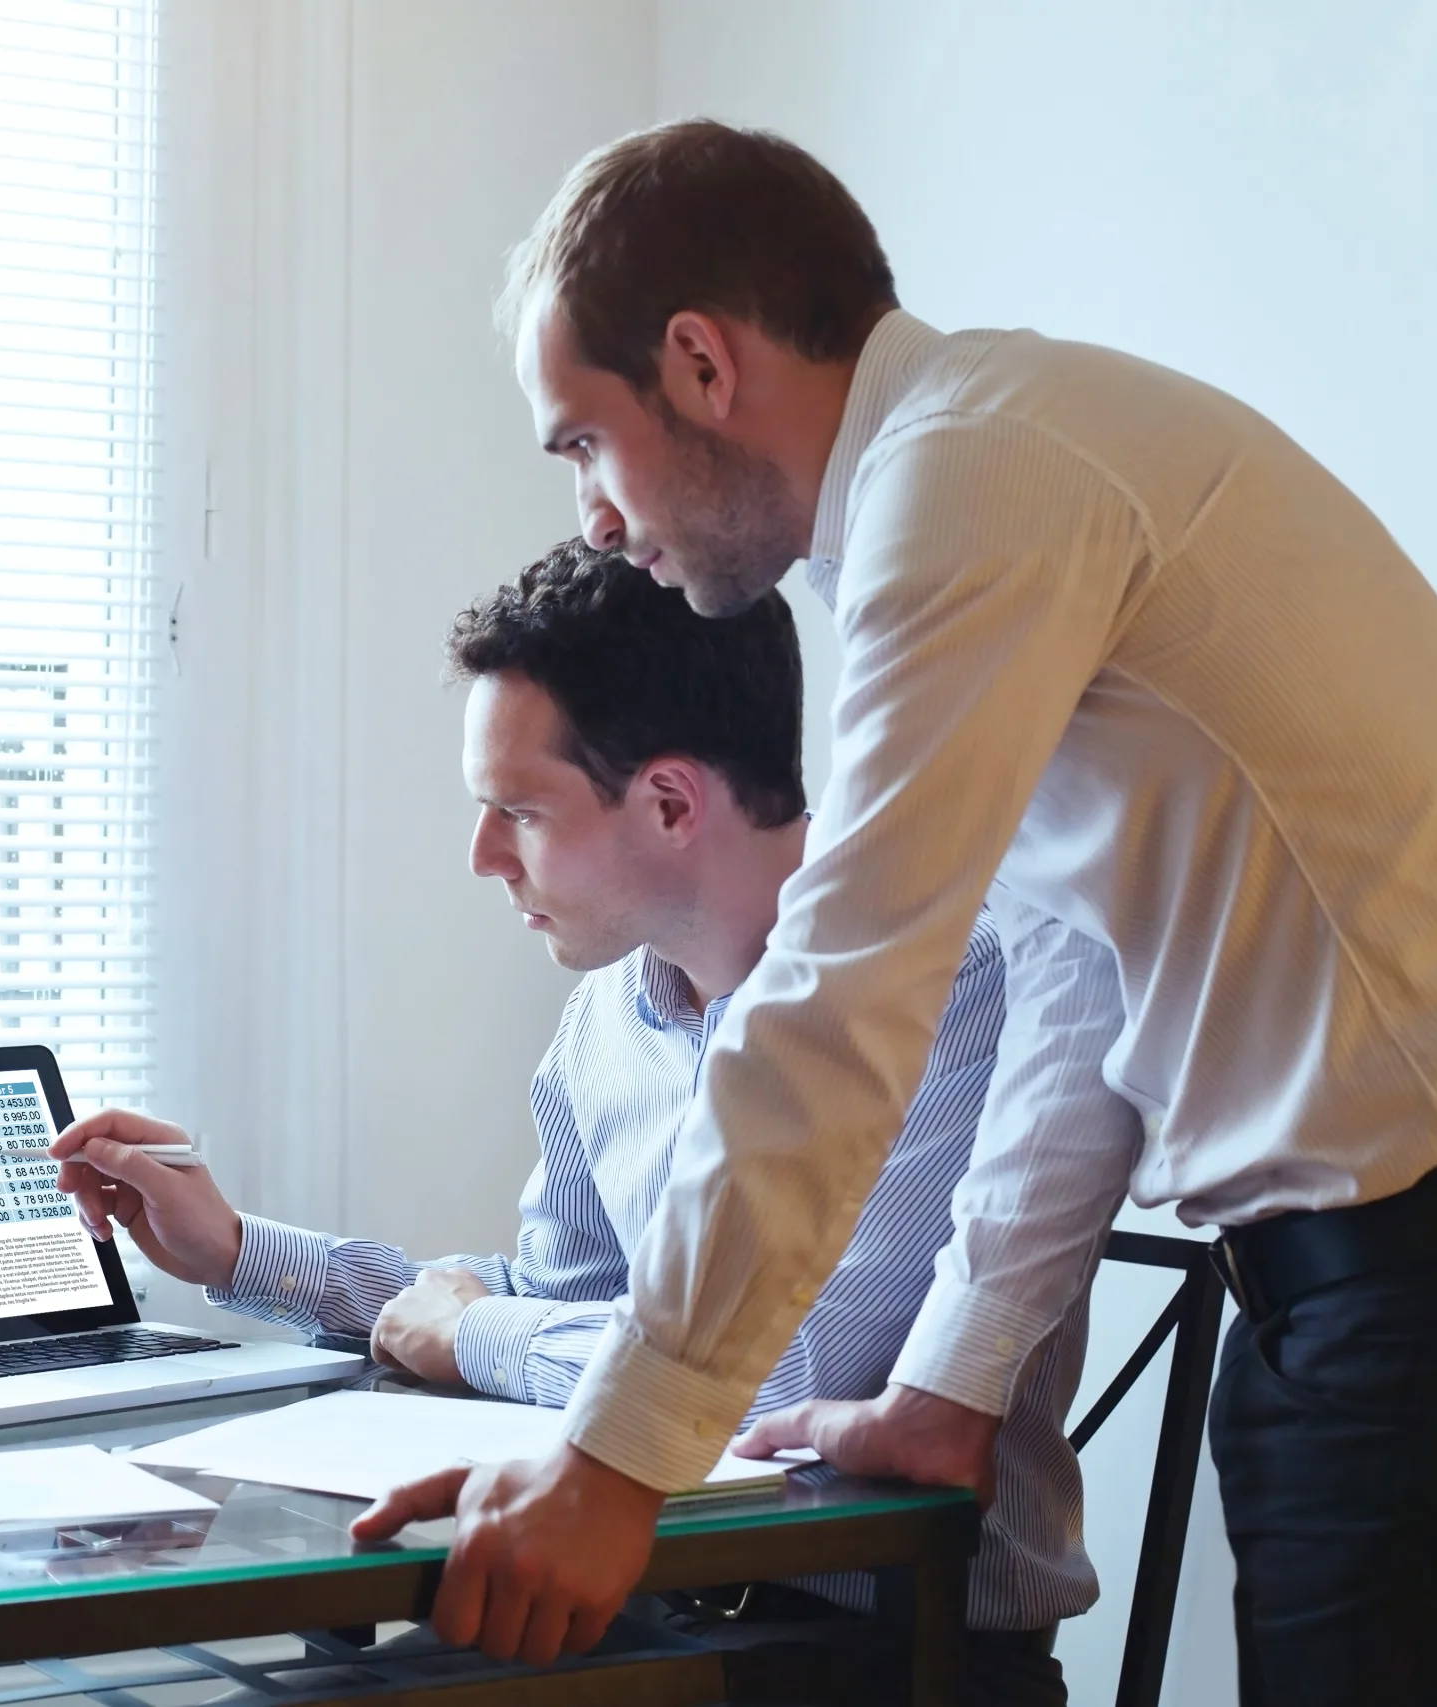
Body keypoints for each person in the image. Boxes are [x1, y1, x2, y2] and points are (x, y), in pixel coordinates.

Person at [352, 118, 1437, 1707]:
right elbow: (1074, 989)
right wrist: (948, 1388)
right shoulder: (977, 469)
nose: (594, 516)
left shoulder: (972, 478)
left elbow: (844, 994)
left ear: (701, 364)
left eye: (581, 441)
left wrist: (617, 1458)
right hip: (1404, 1298)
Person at [55, 542, 1112, 1705]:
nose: (482, 857)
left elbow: (765, 1385)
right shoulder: (603, 1022)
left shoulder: (951, 981)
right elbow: (565, 1313)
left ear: (667, 802)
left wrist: (473, 1335)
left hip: (885, 1653)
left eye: (519, 812)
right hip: (637, 1607)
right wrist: (247, 1254)